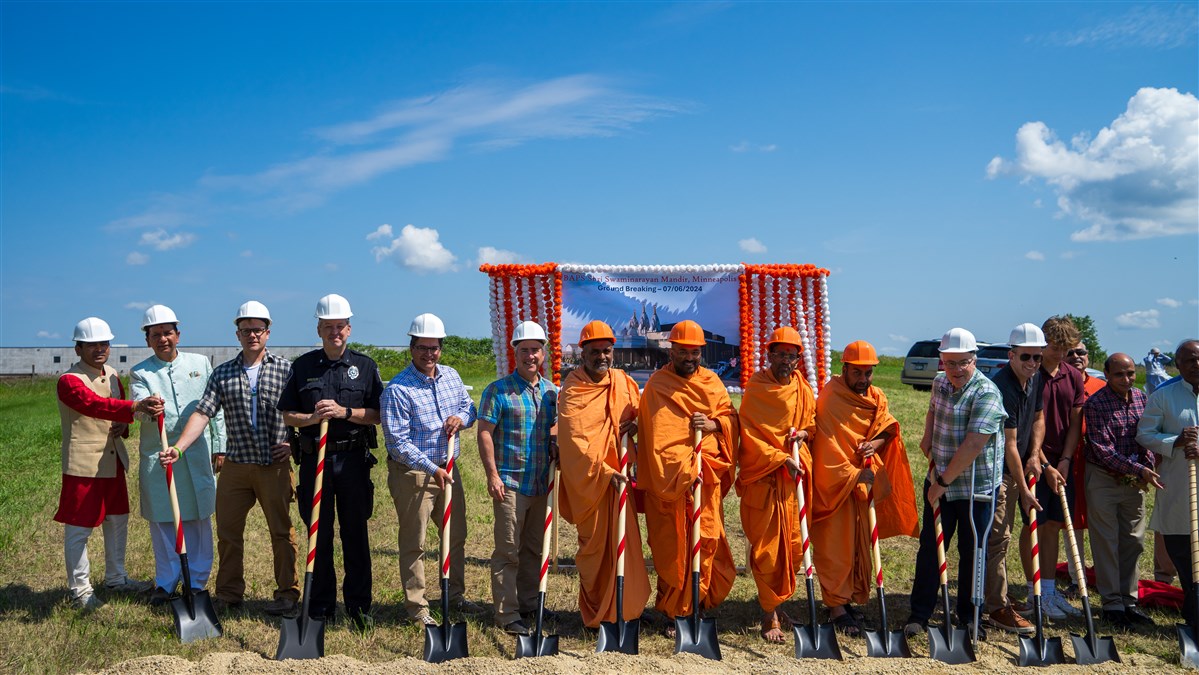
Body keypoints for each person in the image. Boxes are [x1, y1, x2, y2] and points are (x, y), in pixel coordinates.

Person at [160, 301, 299, 616]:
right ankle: (229, 594)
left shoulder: (286, 369)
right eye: (246, 329)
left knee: (281, 531)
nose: (252, 335)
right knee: (228, 532)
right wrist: (179, 447)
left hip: (273, 466)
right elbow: (203, 413)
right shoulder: (223, 373)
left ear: (268, 332)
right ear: (237, 333)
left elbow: (302, 413)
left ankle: (287, 595)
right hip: (236, 465)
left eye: (258, 329)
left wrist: (293, 444)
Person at [278, 293, 383, 630]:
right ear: (319, 329)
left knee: (355, 534)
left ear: (348, 329)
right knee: (318, 536)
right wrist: (312, 417)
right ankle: (320, 607)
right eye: (328, 327)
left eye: (340, 327)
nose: (334, 332)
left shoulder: (365, 366)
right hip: (315, 461)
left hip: (353, 460)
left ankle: (358, 607)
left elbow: (379, 414)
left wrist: (345, 412)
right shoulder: (303, 366)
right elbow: (288, 415)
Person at [810, 340, 919, 638]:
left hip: (863, 487)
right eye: (857, 373)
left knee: (860, 548)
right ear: (843, 369)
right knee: (836, 548)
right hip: (838, 486)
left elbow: (888, 426)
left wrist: (876, 444)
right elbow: (827, 450)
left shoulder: (876, 395)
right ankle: (835, 607)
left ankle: (848, 600)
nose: (863, 379)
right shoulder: (831, 398)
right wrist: (855, 474)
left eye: (868, 373)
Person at [637, 320, 738, 638]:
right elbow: (653, 433)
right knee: (671, 547)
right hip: (669, 482)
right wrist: (678, 469)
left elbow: (730, 417)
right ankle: (672, 610)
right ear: (672, 350)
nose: (689, 358)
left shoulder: (712, 383)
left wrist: (714, 425)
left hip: (704, 477)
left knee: (705, 539)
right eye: (683, 352)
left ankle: (696, 604)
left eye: (694, 353)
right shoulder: (657, 384)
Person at [905, 327, 1005, 638]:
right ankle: (919, 616)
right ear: (941, 362)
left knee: (973, 550)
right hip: (940, 479)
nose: (956, 370)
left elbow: (974, 444)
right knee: (931, 549)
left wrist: (944, 481)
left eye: (963, 363)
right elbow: (933, 411)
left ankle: (970, 616)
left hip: (975, 487)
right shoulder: (939, 383)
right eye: (949, 363)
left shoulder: (986, 392)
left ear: (974, 360)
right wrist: (927, 437)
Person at [380, 313, 480, 625]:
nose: (429, 354)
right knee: (415, 542)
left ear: (441, 348)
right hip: (414, 473)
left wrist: (461, 419)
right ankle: (417, 606)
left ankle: (455, 595)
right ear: (411, 348)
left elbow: (469, 407)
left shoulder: (451, 376)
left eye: (434, 348)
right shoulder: (398, 389)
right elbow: (397, 443)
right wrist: (430, 468)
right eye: (422, 347)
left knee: (455, 534)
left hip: (448, 468)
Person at [56, 317, 159, 610]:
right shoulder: (69, 381)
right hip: (83, 465)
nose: (99, 349)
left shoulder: (113, 374)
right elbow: (92, 404)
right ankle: (81, 591)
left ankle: (116, 577)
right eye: (91, 345)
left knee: (118, 521)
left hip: (113, 461)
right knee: (79, 529)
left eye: (103, 343)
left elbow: (116, 415)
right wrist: (135, 408)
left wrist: (123, 427)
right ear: (78, 349)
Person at [558, 320, 650, 629]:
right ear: (582, 354)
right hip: (593, 483)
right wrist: (604, 471)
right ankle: (597, 616)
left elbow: (640, 413)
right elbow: (573, 440)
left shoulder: (623, 381)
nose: (602, 357)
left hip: (620, 480)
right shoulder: (573, 387)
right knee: (594, 552)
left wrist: (637, 425)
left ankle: (627, 610)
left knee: (628, 546)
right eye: (595, 351)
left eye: (607, 351)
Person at [130, 305, 225, 605]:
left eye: (167, 333)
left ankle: (196, 582)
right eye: (155, 334)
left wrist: (220, 444)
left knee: (197, 517)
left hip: (197, 454)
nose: (163, 339)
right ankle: (166, 581)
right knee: (164, 520)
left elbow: (215, 408)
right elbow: (137, 409)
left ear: (178, 335)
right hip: (159, 456)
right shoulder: (140, 372)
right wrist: (145, 407)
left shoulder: (200, 363)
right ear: (147, 339)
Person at [477, 320, 559, 636]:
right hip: (510, 484)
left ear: (543, 353)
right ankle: (506, 613)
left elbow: (555, 429)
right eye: (524, 350)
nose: (530, 356)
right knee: (508, 552)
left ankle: (529, 604)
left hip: (541, 485)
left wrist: (555, 443)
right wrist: (492, 475)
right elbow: (484, 432)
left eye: (535, 350)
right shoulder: (498, 391)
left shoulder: (552, 392)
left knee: (534, 551)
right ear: (515, 352)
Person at [735, 327, 815, 642]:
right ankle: (769, 617)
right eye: (779, 354)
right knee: (768, 552)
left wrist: (805, 436)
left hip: (794, 484)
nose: (785, 360)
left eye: (791, 355)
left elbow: (811, 424)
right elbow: (749, 434)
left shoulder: (803, 389)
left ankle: (779, 605)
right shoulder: (757, 387)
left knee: (794, 549)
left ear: (798, 359)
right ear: (769, 356)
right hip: (765, 480)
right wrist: (779, 458)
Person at [1085, 353, 1160, 629]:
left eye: (1130, 374)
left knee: (1134, 541)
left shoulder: (1141, 398)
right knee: (1106, 541)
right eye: (1119, 374)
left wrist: (1147, 464)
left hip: (1135, 479)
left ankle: (1129, 602)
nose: (1126, 379)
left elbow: (1147, 436)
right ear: (1107, 374)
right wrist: (1139, 470)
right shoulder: (1096, 404)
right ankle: (1111, 604)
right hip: (1104, 477)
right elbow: (1103, 449)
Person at [981, 323, 1044, 636]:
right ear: (1011, 355)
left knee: (1002, 537)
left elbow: (1038, 419)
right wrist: (1022, 487)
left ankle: (997, 597)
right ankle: (995, 607)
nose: (1032, 363)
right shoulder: (1002, 386)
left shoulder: (1035, 380)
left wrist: (1035, 455)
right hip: (997, 473)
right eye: (1026, 357)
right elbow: (1007, 445)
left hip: (1019, 467)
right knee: (999, 539)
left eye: (1037, 357)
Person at [1139, 340, 1199, 628]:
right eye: (1189, 360)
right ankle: (1193, 611)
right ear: (1177, 364)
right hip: (1180, 489)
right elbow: (1145, 434)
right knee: (1184, 556)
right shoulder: (1164, 396)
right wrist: (1175, 440)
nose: (1196, 365)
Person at [1033, 315, 1086, 619]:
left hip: (1062, 461)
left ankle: (1050, 593)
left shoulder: (1073, 376)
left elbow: (1075, 422)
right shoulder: (1030, 371)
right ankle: (1035, 593)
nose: (1060, 354)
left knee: (1055, 524)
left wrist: (1064, 461)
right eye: (1055, 347)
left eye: (1065, 349)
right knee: (1035, 525)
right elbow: (1026, 426)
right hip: (1033, 459)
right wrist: (1043, 462)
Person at [1060, 340, 1106, 595]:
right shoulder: (1059, 383)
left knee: (1101, 518)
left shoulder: (1100, 386)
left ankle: (1104, 574)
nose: (1077, 356)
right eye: (1070, 353)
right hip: (1068, 458)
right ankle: (1077, 577)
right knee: (1072, 520)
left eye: (1081, 352)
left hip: (1098, 461)